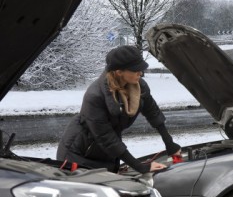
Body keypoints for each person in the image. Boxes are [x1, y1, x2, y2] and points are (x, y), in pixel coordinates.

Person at [57, 45, 181, 173]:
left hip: (107, 153)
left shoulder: (139, 87)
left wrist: (170, 144)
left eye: (141, 68)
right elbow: (106, 137)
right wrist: (140, 167)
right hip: (78, 155)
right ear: (119, 72)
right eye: (135, 70)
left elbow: (153, 113)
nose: (141, 73)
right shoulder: (95, 96)